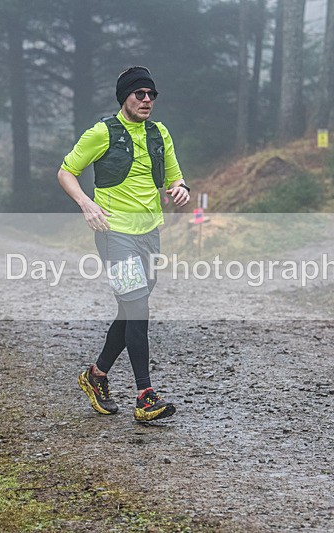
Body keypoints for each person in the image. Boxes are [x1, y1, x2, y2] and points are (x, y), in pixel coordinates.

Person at [57, 66, 190, 421]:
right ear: (124, 97)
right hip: (114, 234)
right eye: (139, 94)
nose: (147, 100)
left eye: (151, 95)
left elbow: (176, 179)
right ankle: (145, 395)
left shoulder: (160, 133)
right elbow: (65, 172)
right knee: (137, 310)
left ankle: (96, 376)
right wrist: (86, 204)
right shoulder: (102, 132)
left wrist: (180, 189)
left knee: (132, 308)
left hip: (149, 233)